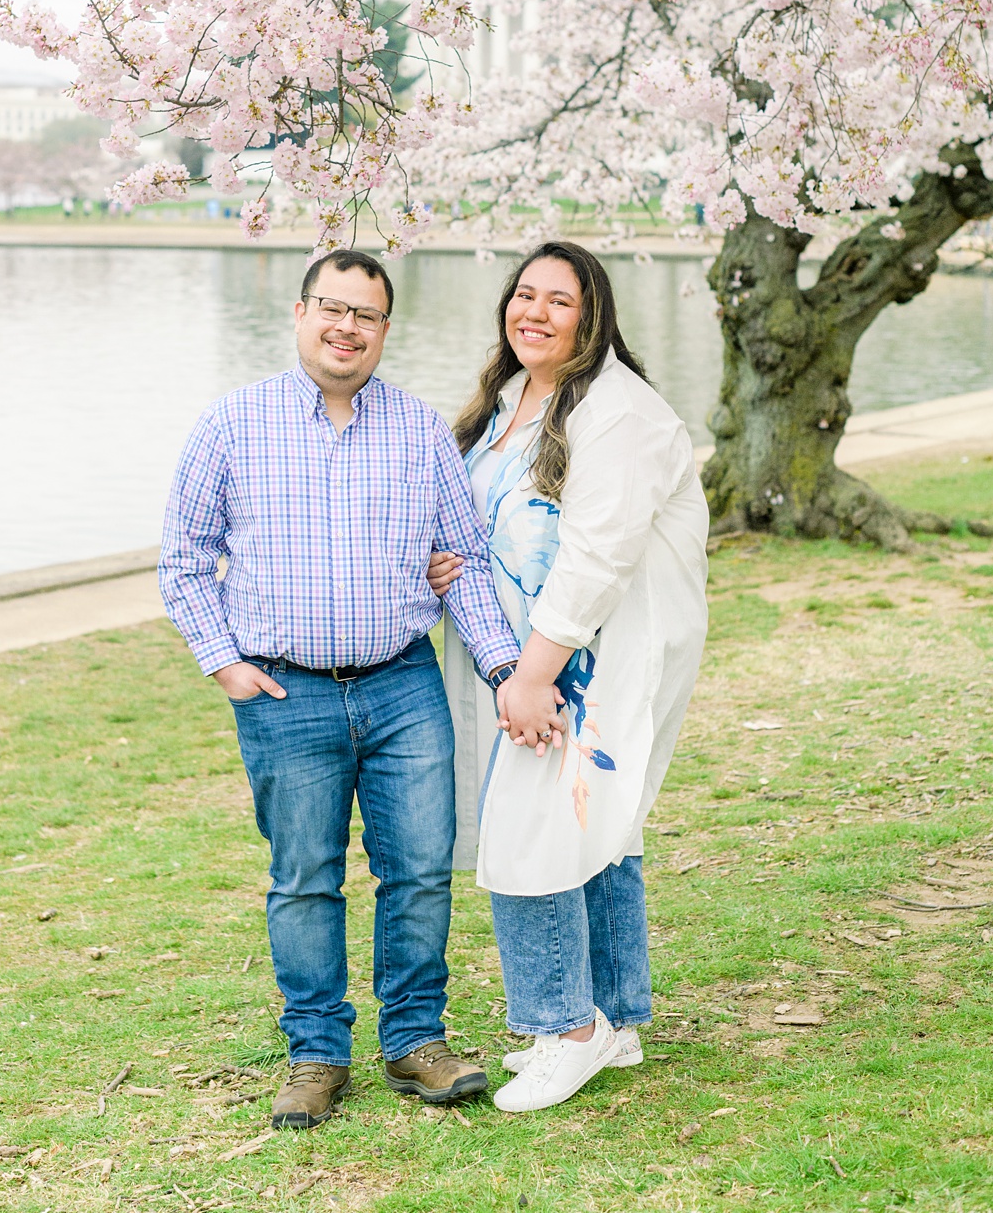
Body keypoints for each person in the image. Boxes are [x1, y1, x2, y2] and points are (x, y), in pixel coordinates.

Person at [159, 248, 527, 1130]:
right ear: (299, 314)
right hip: (286, 697)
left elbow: (466, 561)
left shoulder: (420, 429)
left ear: (385, 331)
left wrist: (508, 667)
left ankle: (414, 1041)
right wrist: (225, 662)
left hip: (404, 686)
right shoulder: (232, 425)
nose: (346, 328)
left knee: (421, 872)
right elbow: (182, 561)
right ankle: (317, 1054)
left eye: (366, 315)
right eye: (333, 308)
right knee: (304, 879)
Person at [431, 241, 709, 1114]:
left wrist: (534, 674)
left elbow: (595, 558)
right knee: (598, 826)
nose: (535, 313)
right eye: (524, 295)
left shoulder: (615, 412)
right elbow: (485, 515)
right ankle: (617, 1019)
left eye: (560, 300)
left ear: (593, 317)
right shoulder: (511, 400)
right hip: (532, 653)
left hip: (590, 656)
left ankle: (566, 1028)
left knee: (533, 828)